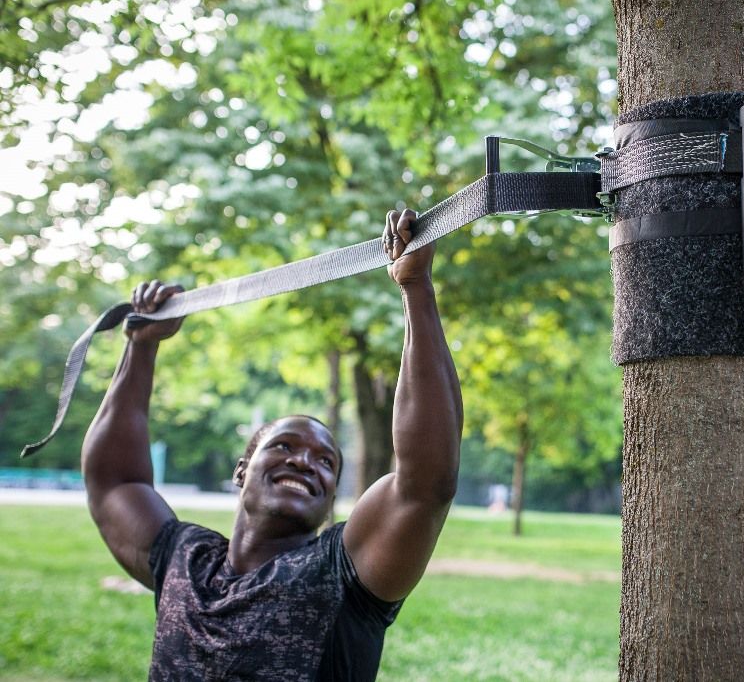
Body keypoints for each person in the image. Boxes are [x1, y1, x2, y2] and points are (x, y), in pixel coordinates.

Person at [81, 209, 462, 681]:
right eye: (284, 446)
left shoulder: (342, 574)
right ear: (242, 470)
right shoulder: (185, 561)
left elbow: (426, 484)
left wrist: (416, 288)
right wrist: (140, 347)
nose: (305, 461)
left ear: (331, 497)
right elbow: (113, 481)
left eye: (327, 461)